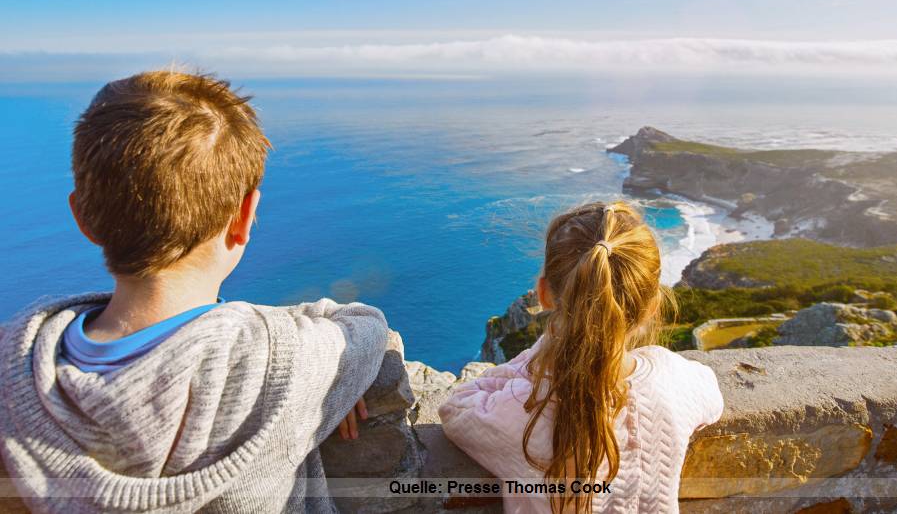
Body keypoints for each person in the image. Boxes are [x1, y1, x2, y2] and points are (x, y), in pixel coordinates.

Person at [0, 69, 389, 513]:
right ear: (244, 217)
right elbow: (365, 326)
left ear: (82, 217)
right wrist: (321, 362)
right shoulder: (285, 361)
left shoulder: (14, 370)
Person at [439, 201, 724, 513]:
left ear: (544, 294)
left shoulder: (524, 408)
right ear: (652, 306)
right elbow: (711, 393)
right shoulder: (671, 379)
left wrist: (540, 359)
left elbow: (455, 409)